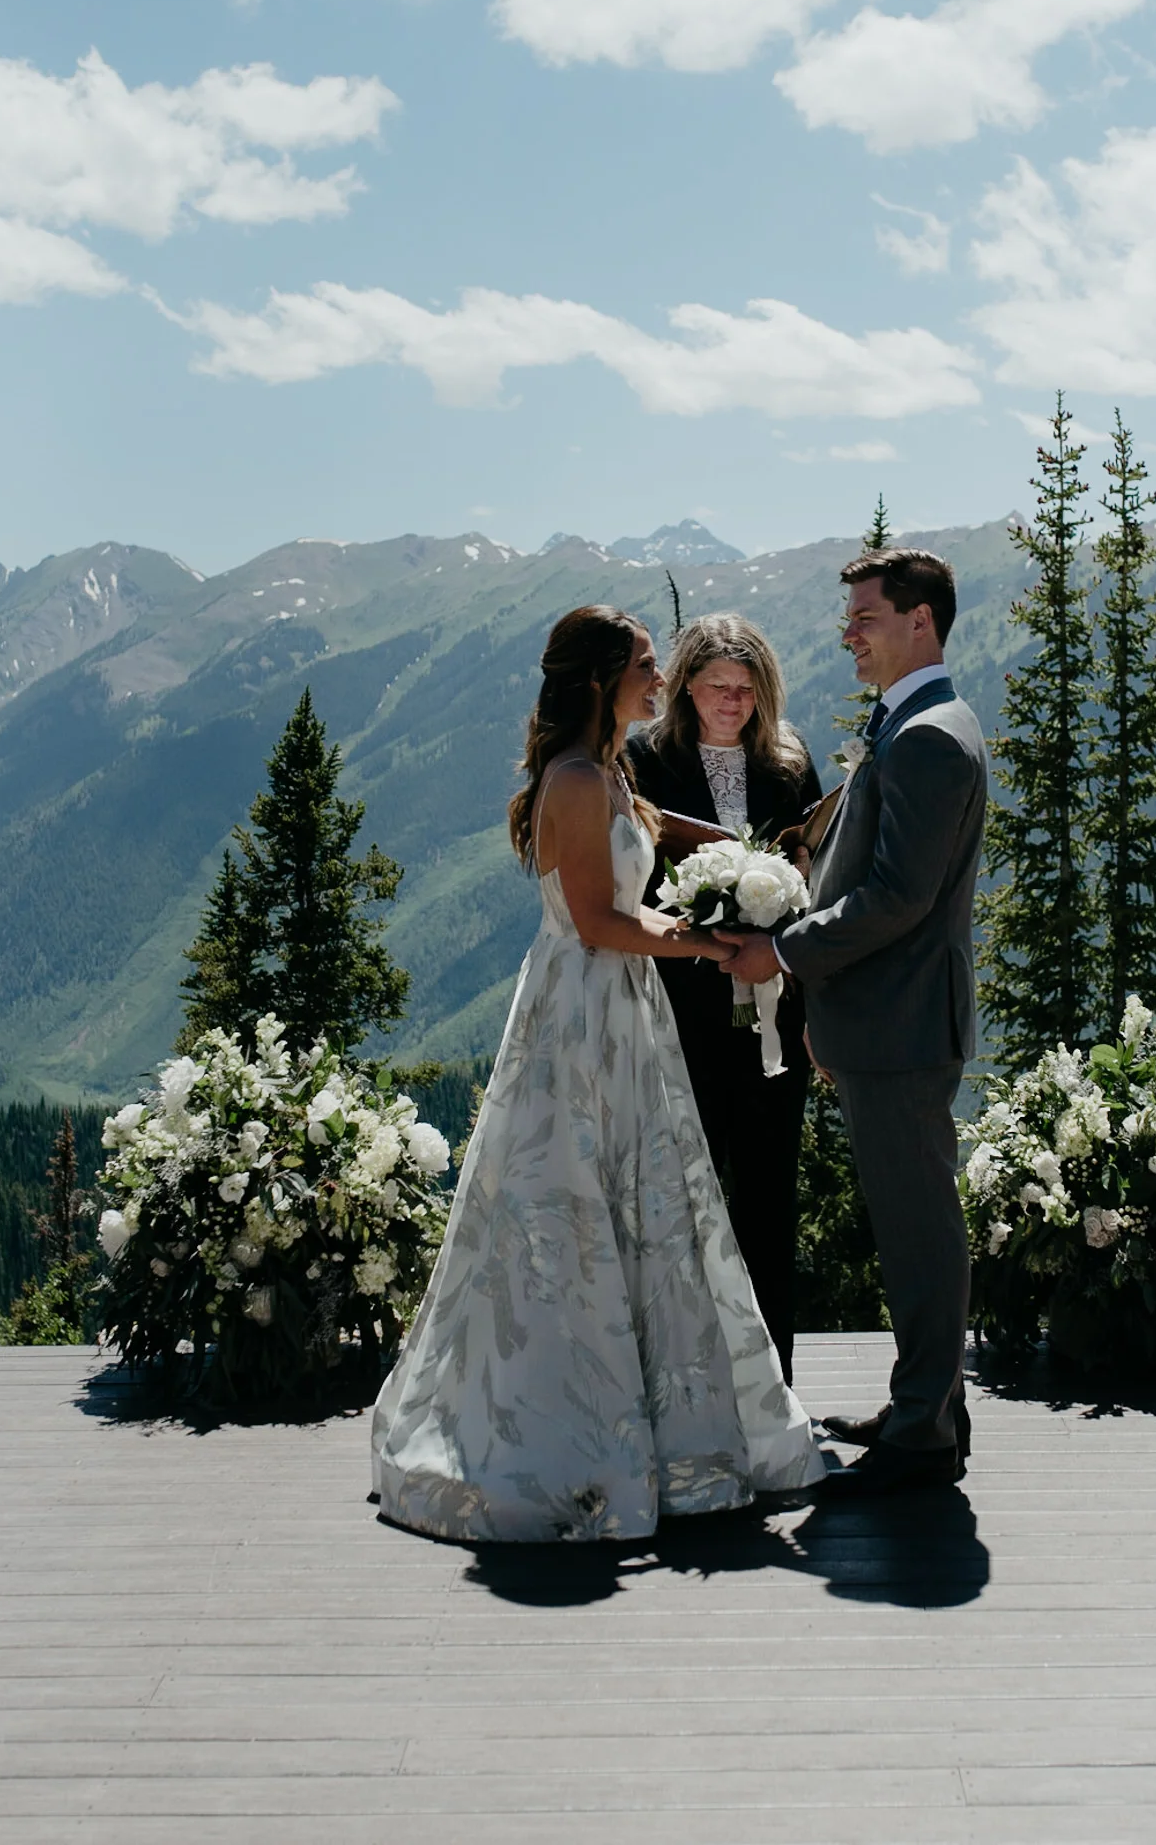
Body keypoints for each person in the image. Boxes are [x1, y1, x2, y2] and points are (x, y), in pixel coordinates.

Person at [370, 605, 822, 1541]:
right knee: (569, 1201)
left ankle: (645, 1412)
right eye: (647, 668)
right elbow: (594, 925)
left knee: (639, 1201)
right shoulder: (574, 781)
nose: (659, 682)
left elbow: (634, 914)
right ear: (598, 681)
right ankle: (556, 1417)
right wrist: (703, 945)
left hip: (625, 1005)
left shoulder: (609, 774)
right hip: (578, 1009)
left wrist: (709, 928)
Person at [727, 549, 987, 1501]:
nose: (849, 633)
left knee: (919, 1228)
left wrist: (784, 955)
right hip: (884, 1020)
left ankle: (923, 1424)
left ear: (920, 621)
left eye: (865, 616)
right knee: (910, 1222)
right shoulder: (913, 723)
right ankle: (927, 1405)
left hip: (905, 1025)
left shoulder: (926, 737)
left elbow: (893, 898)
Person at [627, 615, 822, 1383]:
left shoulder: (788, 761)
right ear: (686, 689)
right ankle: (691, 1374)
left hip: (778, 1005)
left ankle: (775, 1378)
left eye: (746, 689)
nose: (732, 702)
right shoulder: (646, 760)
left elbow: (809, 865)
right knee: (688, 1191)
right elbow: (634, 876)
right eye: (716, 687)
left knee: (770, 1196)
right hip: (683, 1005)